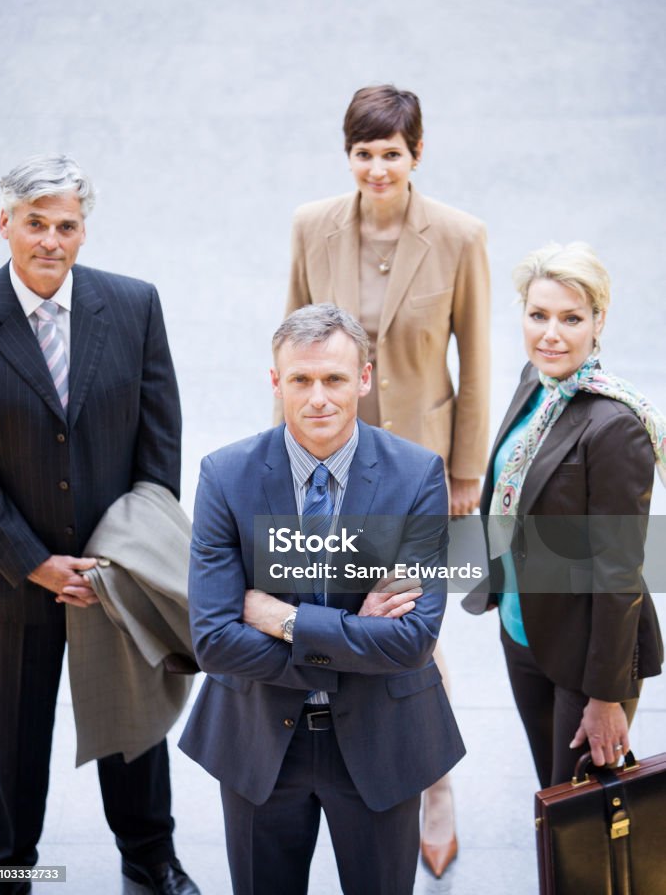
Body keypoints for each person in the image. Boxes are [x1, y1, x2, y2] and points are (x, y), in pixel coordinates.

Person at [180, 303, 465, 895]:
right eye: (301, 380)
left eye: (335, 379)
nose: (318, 398)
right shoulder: (225, 475)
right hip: (259, 742)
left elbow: (412, 640)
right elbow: (213, 640)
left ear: (363, 378)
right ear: (276, 380)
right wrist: (352, 634)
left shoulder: (416, 476)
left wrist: (280, 617)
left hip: (382, 741)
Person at [282, 84, 490, 875]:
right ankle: (354, 773)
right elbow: (292, 353)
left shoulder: (460, 236)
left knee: (410, 627)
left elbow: (476, 360)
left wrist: (463, 469)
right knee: (341, 611)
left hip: (418, 467)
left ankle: (432, 784)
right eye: (364, 153)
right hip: (326, 463)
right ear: (349, 154)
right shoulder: (311, 226)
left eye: (391, 154)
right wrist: (281, 466)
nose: (377, 168)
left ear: (417, 153)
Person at [0, 155, 199, 895]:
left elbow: (159, 444)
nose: (50, 239)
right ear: (4, 222)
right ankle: (8, 868)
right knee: (14, 738)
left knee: (135, 727)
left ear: (84, 231)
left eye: (65, 225)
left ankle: (150, 859)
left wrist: (125, 559)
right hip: (12, 574)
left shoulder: (133, 306)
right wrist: (33, 560)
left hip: (117, 572)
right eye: (35, 223)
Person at [466, 242, 664, 788]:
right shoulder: (536, 384)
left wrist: (605, 696)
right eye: (538, 315)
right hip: (523, 632)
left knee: (583, 820)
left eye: (571, 318)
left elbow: (618, 571)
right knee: (551, 801)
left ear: (599, 321)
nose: (550, 334)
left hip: (585, 657)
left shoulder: (614, 425)